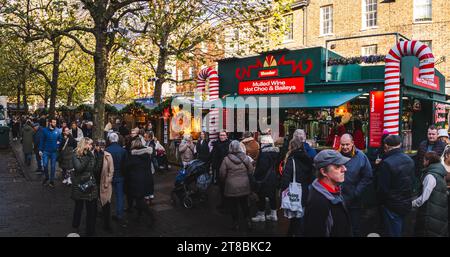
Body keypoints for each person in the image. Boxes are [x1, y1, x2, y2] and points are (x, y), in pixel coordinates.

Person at [303, 149, 352, 237]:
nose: (344, 169)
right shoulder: (318, 203)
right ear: (323, 171)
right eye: (337, 166)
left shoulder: (333, 190)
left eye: (343, 165)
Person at [377, 135, 415, 237]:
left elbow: (383, 189)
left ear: (386, 146)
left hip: (392, 205)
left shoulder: (386, 163)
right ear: (400, 145)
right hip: (406, 202)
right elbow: (412, 182)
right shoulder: (409, 160)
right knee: (404, 231)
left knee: (393, 232)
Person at [339, 133, 373, 236]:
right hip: (338, 199)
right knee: (340, 227)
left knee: (355, 227)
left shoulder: (361, 156)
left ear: (352, 143)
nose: (345, 147)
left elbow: (368, 176)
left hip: (354, 199)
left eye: (347, 144)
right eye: (342, 144)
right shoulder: (336, 155)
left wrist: (357, 191)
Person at [280, 137, 314, 236]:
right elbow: (312, 177)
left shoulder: (292, 160)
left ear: (291, 147)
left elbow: (286, 179)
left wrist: (282, 192)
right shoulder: (308, 158)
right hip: (304, 191)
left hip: (294, 192)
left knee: (295, 219)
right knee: (300, 218)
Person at [219, 140, 254, 231]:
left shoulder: (226, 159)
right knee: (244, 204)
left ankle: (236, 223)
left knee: (233, 206)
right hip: (244, 185)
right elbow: (251, 170)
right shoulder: (246, 158)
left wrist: (224, 181)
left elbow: (222, 173)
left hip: (231, 186)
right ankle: (248, 221)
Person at [412, 151, 448, 237]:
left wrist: (411, 203)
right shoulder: (440, 171)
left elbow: (424, 197)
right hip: (438, 212)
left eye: (424, 160)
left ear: (428, 161)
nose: (422, 161)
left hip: (430, 212)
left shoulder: (430, 176)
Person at [71, 137, 98, 237]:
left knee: (91, 210)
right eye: (90, 144)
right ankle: (75, 227)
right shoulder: (75, 155)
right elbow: (78, 168)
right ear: (85, 144)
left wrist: (97, 156)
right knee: (78, 207)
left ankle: (90, 231)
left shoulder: (91, 155)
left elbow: (94, 169)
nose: (92, 146)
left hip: (90, 185)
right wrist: (87, 157)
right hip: (80, 185)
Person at [251, 133, 280, 223]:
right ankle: (273, 214)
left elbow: (262, 168)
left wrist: (255, 175)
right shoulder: (276, 152)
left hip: (264, 178)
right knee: (272, 195)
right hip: (273, 177)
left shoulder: (264, 154)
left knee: (261, 196)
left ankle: (261, 215)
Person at [126, 139, 154, 226]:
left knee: (139, 199)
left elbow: (128, 167)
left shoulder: (134, 156)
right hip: (146, 179)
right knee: (139, 199)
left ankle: (151, 216)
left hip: (137, 181)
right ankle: (138, 216)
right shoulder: (146, 155)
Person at [105, 132, 128, 227]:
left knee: (107, 196)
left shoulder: (107, 150)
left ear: (110, 140)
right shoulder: (123, 151)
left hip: (109, 176)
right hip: (120, 176)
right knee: (119, 196)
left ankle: (106, 213)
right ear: (117, 139)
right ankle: (119, 214)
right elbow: (125, 165)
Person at [94, 139, 114, 233]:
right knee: (93, 204)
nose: (101, 148)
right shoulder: (92, 155)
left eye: (103, 146)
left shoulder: (108, 156)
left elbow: (111, 171)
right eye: (99, 146)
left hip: (104, 183)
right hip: (94, 183)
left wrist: (108, 181)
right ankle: (92, 224)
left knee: (106, 204)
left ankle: (107, 224)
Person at [39, 118, 62, 188]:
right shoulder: (44, 130)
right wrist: (40, 150)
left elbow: (60, 139)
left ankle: (51, 181)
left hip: (54, 152)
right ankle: (46, 177)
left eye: (55, 122)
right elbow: (42, 140)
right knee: (45, 165)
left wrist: (58, 144)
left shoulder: (57, 130)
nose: (55, 124)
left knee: (53, 167)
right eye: (53, 122)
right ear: (50, 123)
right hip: (46, 151)